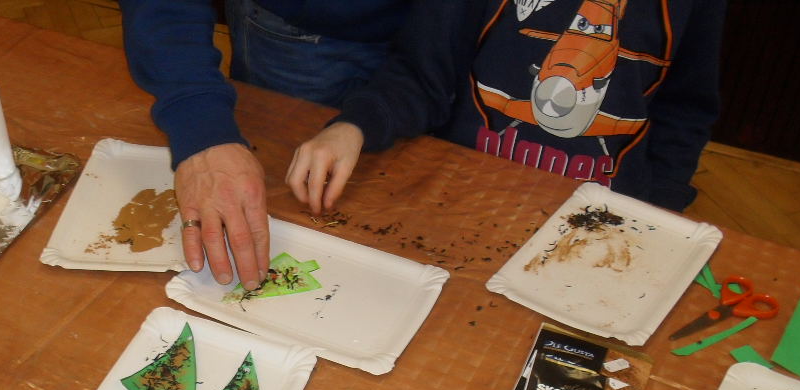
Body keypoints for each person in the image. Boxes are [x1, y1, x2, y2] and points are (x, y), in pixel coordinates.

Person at [286, 0, 726, 216]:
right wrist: (354, 125)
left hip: (600, 215)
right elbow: (422, 74)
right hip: (463, 199)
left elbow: (685, 110)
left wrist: (661, 206)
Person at [119, 0, 410, 289]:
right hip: (292, 33)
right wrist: (201, 125)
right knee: (277, 193)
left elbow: (425, 73)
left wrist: (367, 119)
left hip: (424, 39)